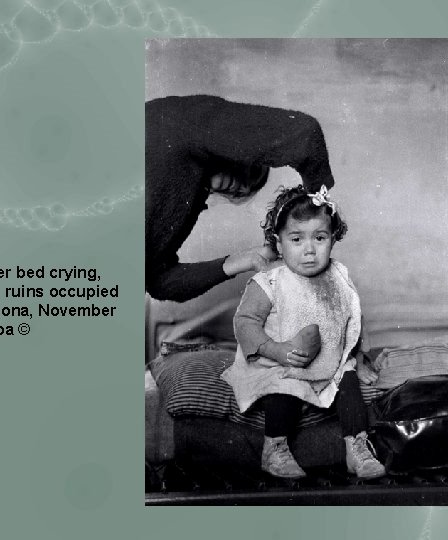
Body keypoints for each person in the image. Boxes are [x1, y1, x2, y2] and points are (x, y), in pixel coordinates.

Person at [221, 185, 385, 479]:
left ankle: (357, 448)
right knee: (284, 389)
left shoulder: (338, 276)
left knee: (349, 387)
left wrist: (359, 358)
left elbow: (354, 319)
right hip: (280, 359)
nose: (309, 250)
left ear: (333, 240)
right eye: (296, 239)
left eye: (319, 238)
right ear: (279, 244)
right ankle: (275, 449)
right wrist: (275, 350)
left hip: (330, 359)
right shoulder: (270, 281)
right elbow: (245, 322)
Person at [146, 95, 336, 302]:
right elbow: (306, 133)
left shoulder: (188, 197)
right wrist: (318, 202)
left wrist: (245, 260)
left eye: (242, 191)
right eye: (251, 174)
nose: (242, 186)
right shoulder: (178, 122)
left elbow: (158, 281)